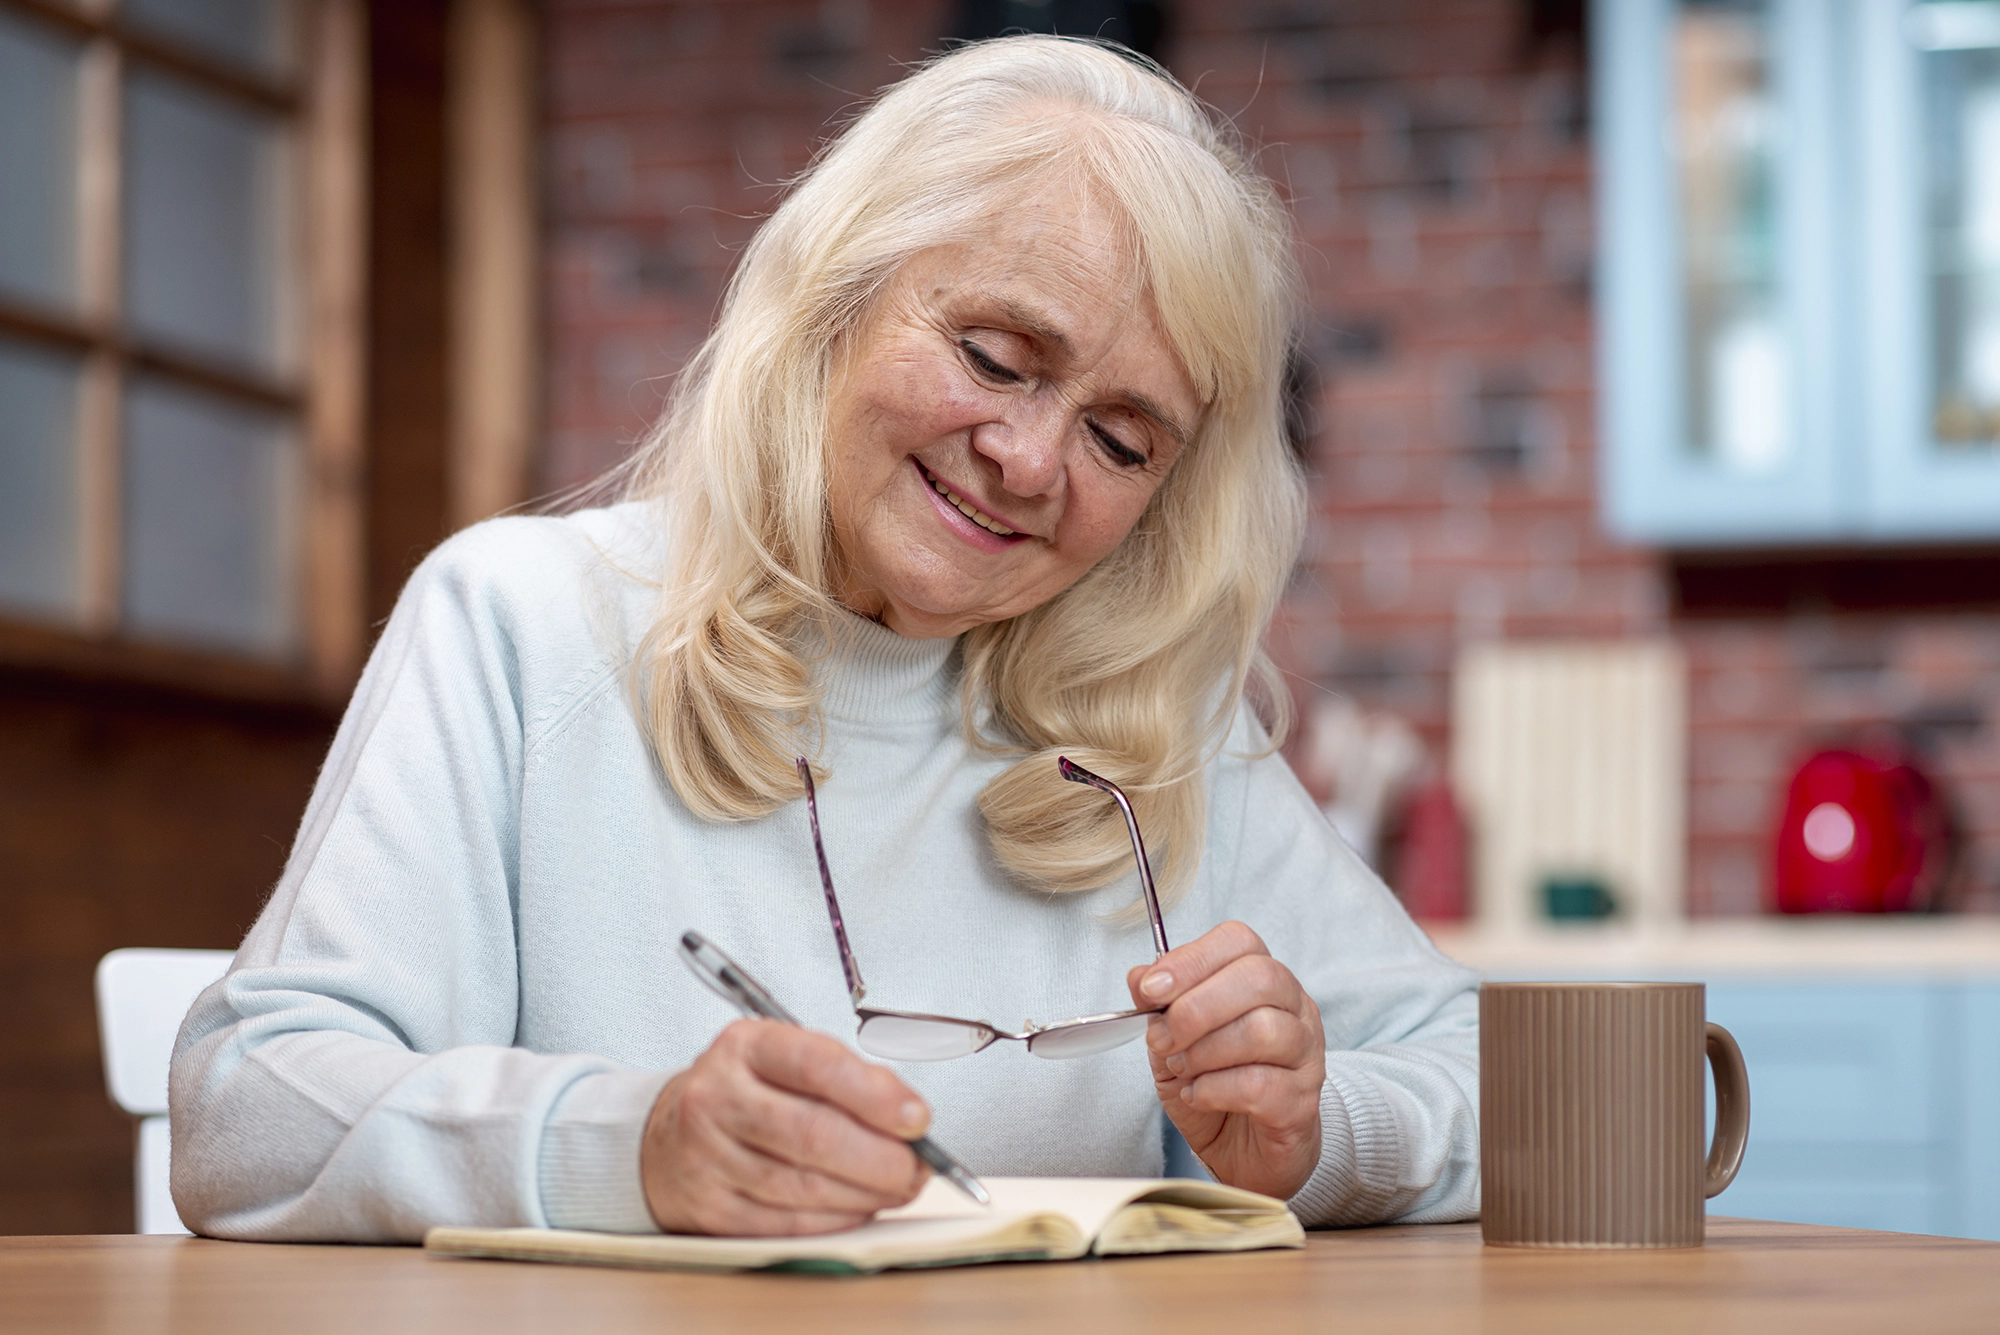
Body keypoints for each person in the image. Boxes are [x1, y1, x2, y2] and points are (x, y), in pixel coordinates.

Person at [170, 34, 1479, 1242]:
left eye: (1120, 439)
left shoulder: (1160, 727)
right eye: (994, 355)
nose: (1029, 461)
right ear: (837, 297)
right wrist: (625, 1148)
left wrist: (1315, 1132)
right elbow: (247, 1105)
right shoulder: (518, 623)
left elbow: (1485, 1082)